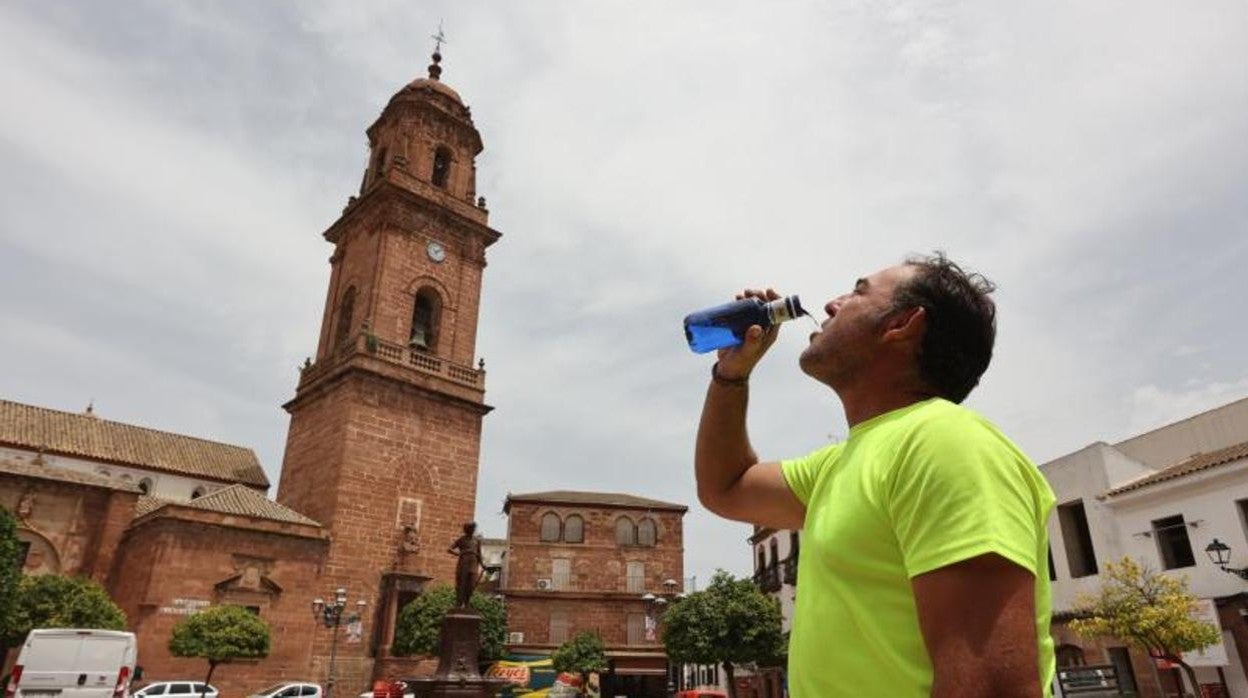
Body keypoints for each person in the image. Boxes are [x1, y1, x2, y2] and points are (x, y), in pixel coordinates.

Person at [694, 253, 1055, 698]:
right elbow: (725, 487)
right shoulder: (838, 464)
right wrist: (731, 373)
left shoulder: (945, 442)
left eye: (858, 291)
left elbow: (992, 688)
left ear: (901, 325)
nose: (830, 303)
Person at [448, 521, 485, 608]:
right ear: (467, 529)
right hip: (463, 563)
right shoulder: (461, 540)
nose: (473, 530)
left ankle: (467, 602)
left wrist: (482, 564)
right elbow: (449, 549)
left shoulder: (477, 540)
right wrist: (459, 554)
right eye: (471, 528)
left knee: (472, 585)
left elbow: (479, 554)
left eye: (473, 529)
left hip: (473, 564)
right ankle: (459, 603)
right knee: (462, 584)